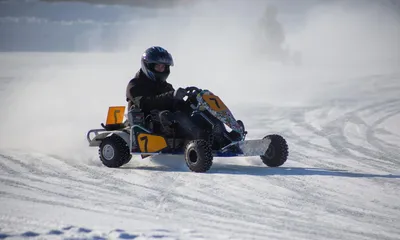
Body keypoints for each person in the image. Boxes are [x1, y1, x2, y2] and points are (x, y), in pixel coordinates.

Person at [125, 46, 203, 139]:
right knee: (168, 115)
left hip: (167, 123)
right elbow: (145, 104)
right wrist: (171, 95)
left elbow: (175, 105)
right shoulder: (135, 85)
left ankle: (217, 136)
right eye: (158, 66)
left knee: (198, 112)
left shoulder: (166, 86)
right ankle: (198, 138)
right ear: (148, 66)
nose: (161, 69)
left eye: (163, 67)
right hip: (148, 126)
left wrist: (191, 100)